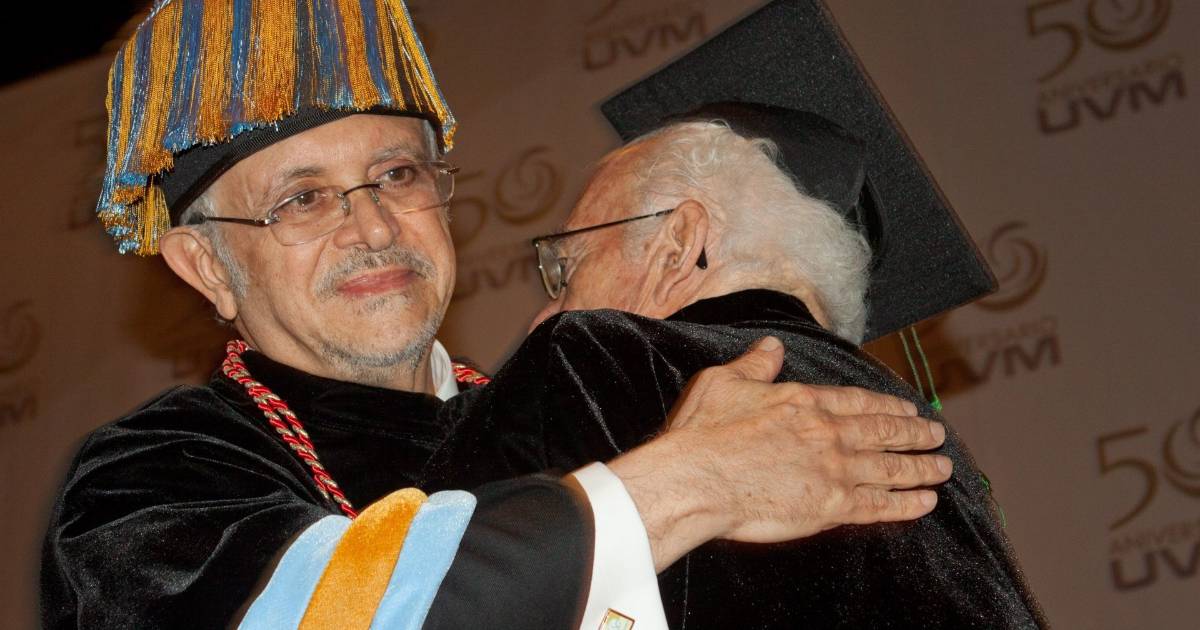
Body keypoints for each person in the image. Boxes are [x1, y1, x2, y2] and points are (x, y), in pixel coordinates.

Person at [40, 3, 949, 629]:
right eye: (303, 199)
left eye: (398, 175)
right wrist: (689, 484)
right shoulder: (151, 480)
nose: (373, 227)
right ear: (208, 266)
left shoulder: (576, 410)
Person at [419, 104, 1049, 627]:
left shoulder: (591, 359)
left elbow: (418, 593)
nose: (544, 314)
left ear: (678, 246)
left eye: (566, 266)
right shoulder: (937, 455)